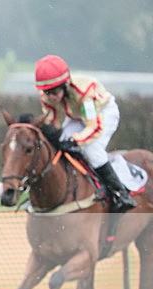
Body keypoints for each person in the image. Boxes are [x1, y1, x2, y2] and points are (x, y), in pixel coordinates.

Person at [34, 54, 136, 212]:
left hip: (103, 114)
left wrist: (76, 140)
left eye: (54, 91)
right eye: (47, 92)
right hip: (76, 116)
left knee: (91, 149)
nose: (51, 97)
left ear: (65, 84)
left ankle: (120, 193)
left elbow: (93, 127)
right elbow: (52, 122)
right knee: (62, 143)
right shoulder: (47, 97)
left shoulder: (83, 90)